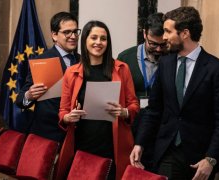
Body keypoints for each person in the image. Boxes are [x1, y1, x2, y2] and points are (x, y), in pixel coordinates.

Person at [130, 6, 219, 180]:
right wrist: (140, 142)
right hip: (167, 151)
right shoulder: (166, 63)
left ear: (184, 33)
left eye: (167, 31)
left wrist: (211, 159)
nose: (163, 37)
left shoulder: (217, 69)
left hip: (201, 159)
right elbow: (154, 109)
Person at [58, 20, 139, 180]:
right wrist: (68, 117)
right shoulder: (71, 72)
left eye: (103, 38)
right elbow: (63, 112)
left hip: (112, 144)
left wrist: (124, 111)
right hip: (81, 144)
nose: (98, 42)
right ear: (85, 41)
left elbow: (134, 105)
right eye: (93, 37)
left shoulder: (122, 69)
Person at [16, 12, 81, 142]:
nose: (73, 36)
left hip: (77, 135)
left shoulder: (83, 61)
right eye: (67, 32)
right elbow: (20, 100)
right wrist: (29, 95)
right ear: (54, 35)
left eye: (75, 31)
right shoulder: (42, 60)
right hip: (49, 135)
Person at [117, 12, 167, 171]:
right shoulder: (125, 57)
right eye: (153, 44)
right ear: (144, 33)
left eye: (162, 44)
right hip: (133, 125)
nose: (158, 49)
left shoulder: (172, 57)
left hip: (161, 126)